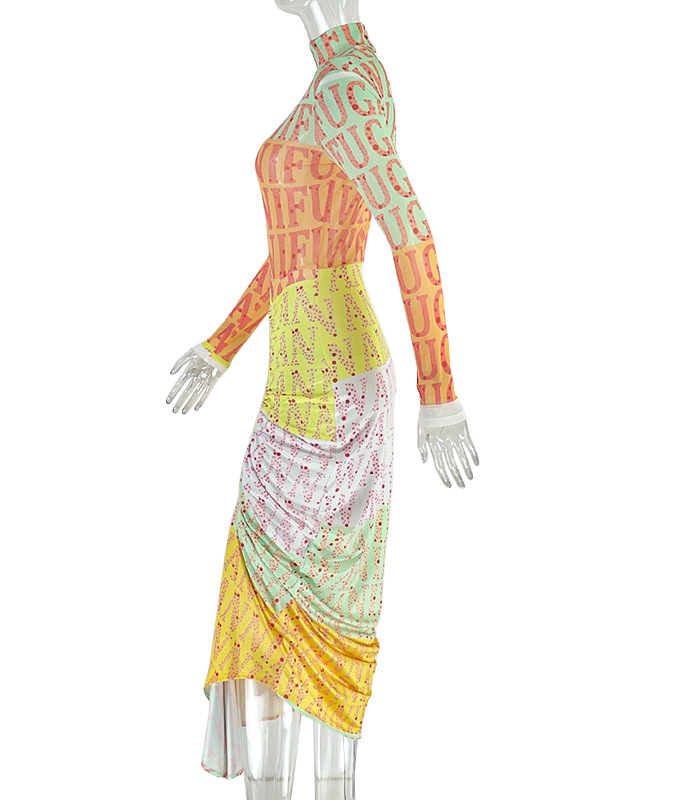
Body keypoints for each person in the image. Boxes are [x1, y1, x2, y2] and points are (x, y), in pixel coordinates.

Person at [166, 2, 479, 797]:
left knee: (330, 603)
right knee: (265, 595)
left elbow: (411, 231)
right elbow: (292, 255)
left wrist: (441, 393)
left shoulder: (347, 87)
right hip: (294, 380)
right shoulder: (340, 78)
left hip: (338, 390)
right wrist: (221, 346)